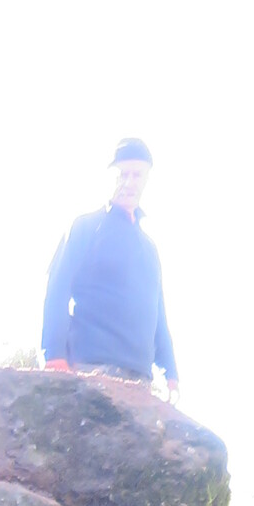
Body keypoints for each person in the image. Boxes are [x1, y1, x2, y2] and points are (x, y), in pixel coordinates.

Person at [41, 138, 179, 399]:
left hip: (140, 379)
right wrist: (54, 355)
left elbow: (158, 313)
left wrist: (170, 372)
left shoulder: (150, 248)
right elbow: (57, 289)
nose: (129, 182)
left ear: (147, 179)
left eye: (137, 175)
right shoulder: (85, 227)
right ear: (110, 176)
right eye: (122, 174)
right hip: (91, 369)